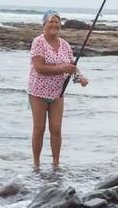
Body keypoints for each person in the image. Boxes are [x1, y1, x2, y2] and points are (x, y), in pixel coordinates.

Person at [28, 10, 89, 168]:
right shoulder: (38, 42)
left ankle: (56, 164)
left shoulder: (65, 45)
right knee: (39, 129)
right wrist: (63, 68)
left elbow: (72, 67)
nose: (54, 24)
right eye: (51, 21)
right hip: (38, 93)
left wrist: (80, 78)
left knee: (56, 129)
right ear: (44, 25)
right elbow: (39, 68)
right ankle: (36, 165)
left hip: (58, 93)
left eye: (57, 22)